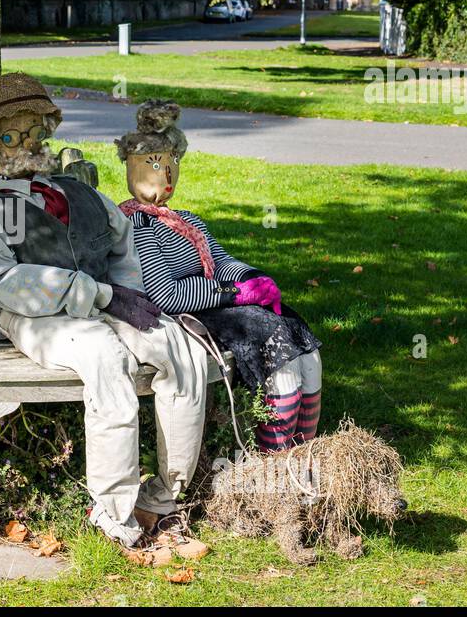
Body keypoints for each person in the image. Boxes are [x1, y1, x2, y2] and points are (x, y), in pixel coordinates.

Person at [0, 74, 211, 548]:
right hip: (32, 318)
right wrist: (100, 296)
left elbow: (122, 250)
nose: (27, 143)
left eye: (35, 131)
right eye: (14, 135)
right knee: (103, 357)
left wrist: (129, 298)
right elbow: (8, 284)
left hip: (101, 301)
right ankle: (113, 511)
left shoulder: (82, 195)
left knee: (180, 348)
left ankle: (162, 499)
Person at [115, 100, 323, 452]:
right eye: (153, 164)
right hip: (180, 317)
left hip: (215, 303)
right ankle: (273, 460)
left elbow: (220, 258)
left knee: (302, 343)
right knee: (280, 358)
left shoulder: (187, 220)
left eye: (172, 162)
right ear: (133, 168)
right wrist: (232, 293)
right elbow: (165, 293)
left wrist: (252, 277)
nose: (165, 174)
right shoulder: (138, 224)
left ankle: (303, 453)